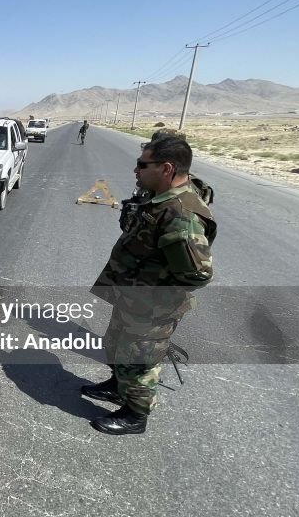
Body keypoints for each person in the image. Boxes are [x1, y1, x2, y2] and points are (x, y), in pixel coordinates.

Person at [85, 136, 216, 435]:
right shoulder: (160, 195)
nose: (136, 170)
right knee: (118, 343)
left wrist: (156, 287)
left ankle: (135, 415)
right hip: (132, 296)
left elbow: (199, 274)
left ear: (167, 168)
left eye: (143, 165)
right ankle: (119, 387)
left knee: (140, 359)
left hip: (151, 304)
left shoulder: (180, 215)